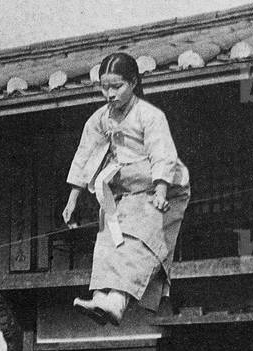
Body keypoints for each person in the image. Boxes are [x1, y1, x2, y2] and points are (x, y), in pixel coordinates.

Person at [61, 51, 191, 325]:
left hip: (163, 188)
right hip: (125, 190)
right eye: (104, 87)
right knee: (108, 239)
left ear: (133, 83)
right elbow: (84, 155)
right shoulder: (99, 119)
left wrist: (161, 191)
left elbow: (162, 153)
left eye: (116, 86)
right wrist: (73, 197)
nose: (109, 93)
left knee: (136, 241)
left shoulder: (150, 115)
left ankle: (117, 301)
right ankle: (101, 299)